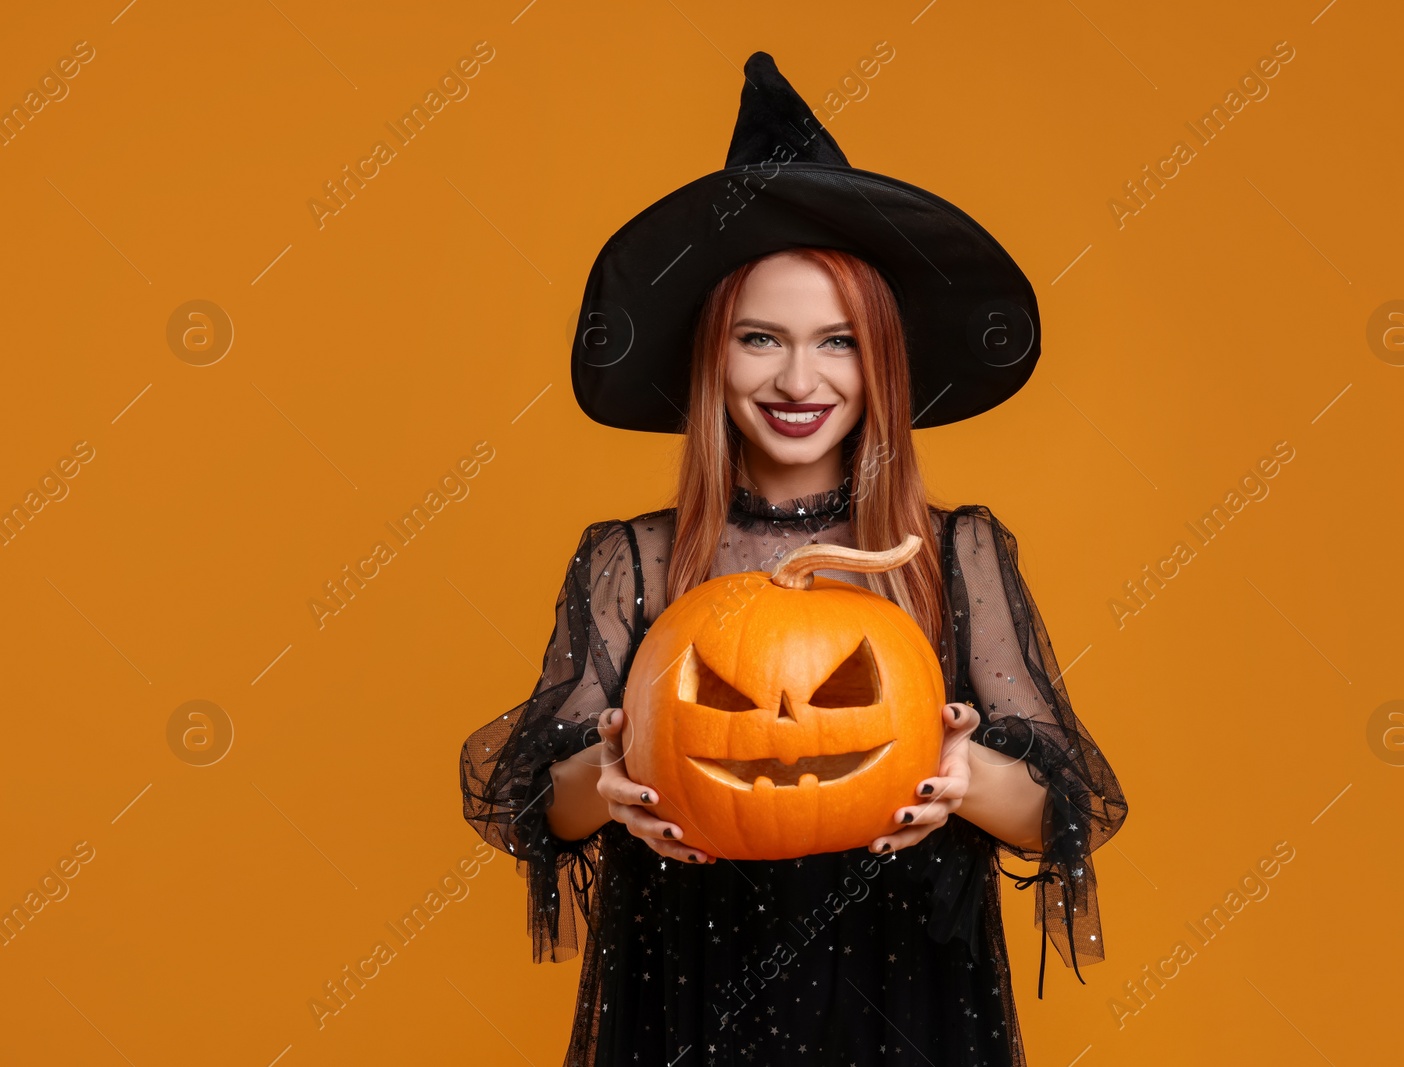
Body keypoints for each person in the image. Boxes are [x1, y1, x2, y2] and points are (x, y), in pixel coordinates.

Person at [459, 52, 1128, 1067]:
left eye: (839, 341)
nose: (799, 377)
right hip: (689, 998)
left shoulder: (954, 555)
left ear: (882, 362)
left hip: (907, 996)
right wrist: (611, 772)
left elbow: (1058, 808)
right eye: (760, 338)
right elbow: (539, 804)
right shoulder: (630, 561)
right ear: (711, 356)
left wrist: (963, 773)